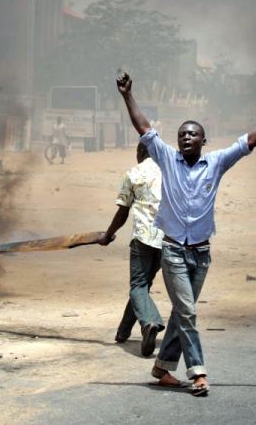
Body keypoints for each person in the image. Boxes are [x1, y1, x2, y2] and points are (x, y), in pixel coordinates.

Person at [116, 71, 256, 397]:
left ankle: (162, 368)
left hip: (201, 254)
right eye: (182, 134)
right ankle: (197, 372)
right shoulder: (166, 158)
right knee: (188, 312)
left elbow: (250, 141)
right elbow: (144, 128)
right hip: (172, 250)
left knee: (181, 313)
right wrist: (128, 95)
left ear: (203, 140)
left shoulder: (216, 162)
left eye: (192, 134)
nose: (185, 138)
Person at [97, 143, 165, 357]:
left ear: (141, 152)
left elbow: (122, 212)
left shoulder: (134, 173)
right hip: (169, 238)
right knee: (142, 286)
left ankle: (150, 322)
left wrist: (107, 235)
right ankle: (123, 331)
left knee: (138, 286)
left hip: (143, 238)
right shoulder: (171, 170)